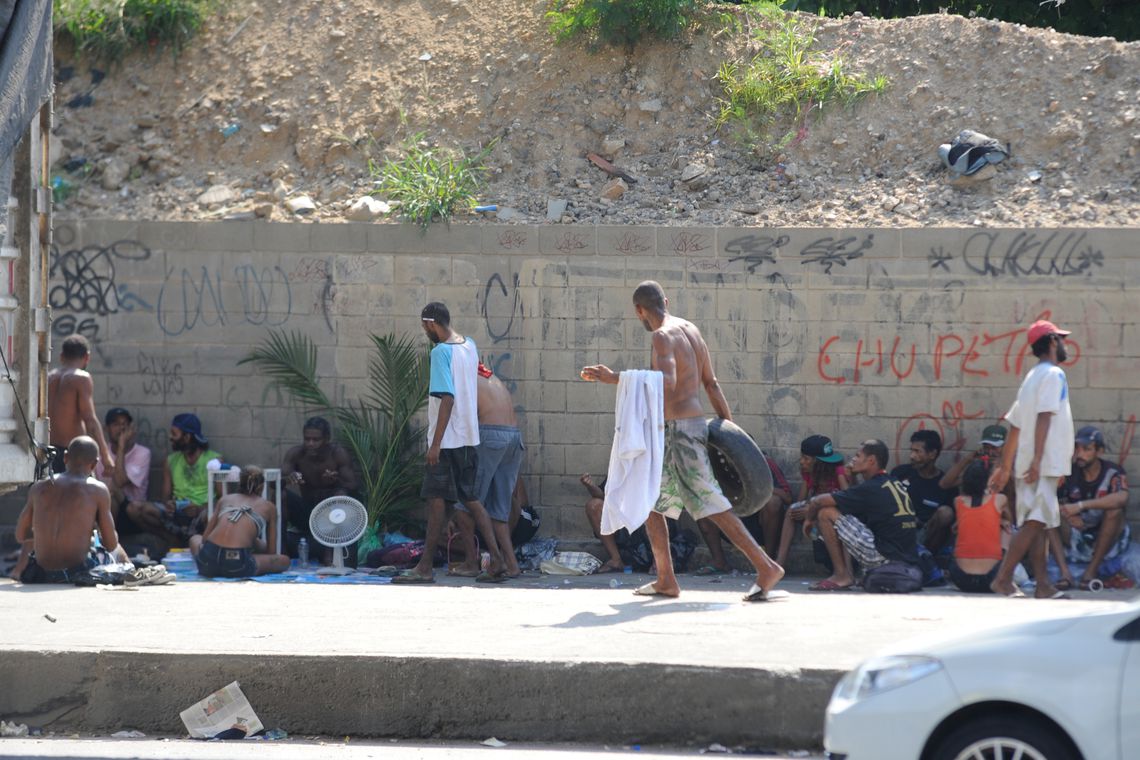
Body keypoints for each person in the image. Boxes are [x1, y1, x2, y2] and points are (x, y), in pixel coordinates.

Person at [580, 281, 784, 601]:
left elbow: (667, 383)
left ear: (640, 311)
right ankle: (666, 579)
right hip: (690, 427)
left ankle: (766, 566)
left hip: (679, 431)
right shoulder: (691, 330)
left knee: (710, 504)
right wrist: (728, 429)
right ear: (666, 300)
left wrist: (615, 377)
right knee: (652, 503)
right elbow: (712, 384)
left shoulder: (661, 336)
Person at [394, 302, 506, 584]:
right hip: (469, 438)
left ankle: (425, 568)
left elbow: (447, 398)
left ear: (431, 323)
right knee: (471, 500)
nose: (425, 332)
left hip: (447, 442)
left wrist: (435, 445)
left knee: (436, 503)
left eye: (424, 327)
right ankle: (497, 559)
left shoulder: (440, 352)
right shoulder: (469, 345)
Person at [987, 319, 1074, 599]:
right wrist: (1039, 460)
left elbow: (1015, 425)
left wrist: (1005, 467)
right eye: (1060, 339)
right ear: (1051, 342)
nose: (1064, 344)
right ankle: (1003, 578)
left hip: (1030, 462)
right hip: (1042, 461)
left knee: (1038, 523)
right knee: (1036, 521)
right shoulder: (1053, 375)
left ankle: (1042, 585)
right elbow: (1045, 416)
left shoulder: (1031, 378)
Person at [802, 439, 921, 592]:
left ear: (871, 460)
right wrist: (852, 478)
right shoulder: (892, 482)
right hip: (904, 558)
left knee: (826, 512)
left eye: (857, 456)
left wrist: (809, 520)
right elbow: (855, 503)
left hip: (884, 556)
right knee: (844, 515)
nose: (853, 460)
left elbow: (818, 501)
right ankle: (848, 574)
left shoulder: (871, 488)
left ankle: (841, 576)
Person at [11, 436, 130, 583]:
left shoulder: (38, 487)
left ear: (65, 457)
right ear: (94, 464)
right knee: (118, 551)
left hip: (41, 573)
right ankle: (134, 576)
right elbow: (110, 544)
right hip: (76, 573)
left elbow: (21, 535)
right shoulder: (98, 490)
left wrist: (45, 531)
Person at [450, 363, 525, 578]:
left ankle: (471, 563)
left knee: (466, 502)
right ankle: (512, 565)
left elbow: (460, 416)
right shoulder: (489, 376)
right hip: (513, 438)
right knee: (498, 510)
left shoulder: (463, 378)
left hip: (489, 435)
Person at [125, 413, 223, 549]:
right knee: (134, 508)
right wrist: (171, 506)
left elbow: (224, 500)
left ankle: (203, 547)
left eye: (174, 434)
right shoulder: (170, 461)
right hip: (178, 514)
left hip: (202, 514)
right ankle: (173, 541)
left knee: (210, 516)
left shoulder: (214, 461)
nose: (170, 437)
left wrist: (200, 508)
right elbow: (165, 499)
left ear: (187, 437)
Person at [1052, 426, 1130, 591]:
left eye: (1086, 449)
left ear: (1099, 452)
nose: (1079, 454)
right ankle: (1066, 575)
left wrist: (1080, 506)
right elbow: (1050, 500)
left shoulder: (1112, 472)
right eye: (1077, 448)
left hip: (1107, 540)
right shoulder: (1069, 472)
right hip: (1077, 538)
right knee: (1047, 516)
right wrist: (1065, 513)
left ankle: (1090, 572)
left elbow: (1121, 498)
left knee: (1115, 511)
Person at [697, 454, 793, 574]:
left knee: (773, 503)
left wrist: (760, 487)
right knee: (703, 505)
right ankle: (719, 561)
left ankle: (768, 561)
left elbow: (787, 497)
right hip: (732, 522)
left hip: (760, 525)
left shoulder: (765, 463)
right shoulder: (719, 463)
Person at [190, 466, 290, 578]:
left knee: (195, 539)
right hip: (237, 565)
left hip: (207, 561)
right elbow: (271, 552)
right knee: (284, 560)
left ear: (239, 483)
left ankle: (216, 565)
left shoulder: (225, 499)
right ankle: (244, 558)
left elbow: (204, 539)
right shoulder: (269, 507)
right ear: (262, 486)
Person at [282, 417, 358, 560]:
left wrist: (336, 480)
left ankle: (330, 554)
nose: (310, 444)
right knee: (281, 495)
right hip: (307, 512)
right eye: (307, 439)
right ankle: (282, 551)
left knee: (340, 494)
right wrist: (288, 478)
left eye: (316, 440)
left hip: (331, 517)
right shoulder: (296, 454)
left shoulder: (337, 454)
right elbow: (275, 482)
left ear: (327, 439)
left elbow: (353, 486)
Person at [776, 435, 850, 568]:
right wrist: (801, 511)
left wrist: (811, 510)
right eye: (802, 457)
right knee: (791, 511)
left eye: (806, 458)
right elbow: (801, 501)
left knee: (824, 513)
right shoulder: (809, 473)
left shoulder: (839, 472)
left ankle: (843, 570)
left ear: (819, 462)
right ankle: (779, 563)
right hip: (816, 513)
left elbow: (848, 500)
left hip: (835, 515)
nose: (802, 462)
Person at [46, 336, 113, 473]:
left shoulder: (48, 378)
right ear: (87, 357)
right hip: (73, 455)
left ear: (61, 356)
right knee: (83, 493)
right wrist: (106, 457)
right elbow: (90, 420)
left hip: (47, 453)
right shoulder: (81, 378)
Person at [891, 430, 958, 555]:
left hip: (927, 538)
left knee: (945, 513)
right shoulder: (900, 473)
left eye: (917, 451)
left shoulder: (944, 484)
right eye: (911, 450)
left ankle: (926, 558)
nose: (912, 456)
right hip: (900, 532)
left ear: (932, 454)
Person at [949, 460, 1009, 593]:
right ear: (989, 480)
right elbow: (1010, 519)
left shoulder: (958, 501)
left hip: (960, 578)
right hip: (992, 577)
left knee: (960, 528)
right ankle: (1006, 573)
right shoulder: (1000, 499)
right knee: (1007, 529)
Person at [96, 407, 151, 530]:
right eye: (116, 424)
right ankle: (106, 543)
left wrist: (121, 446)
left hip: (132, 514)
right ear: (106, 428)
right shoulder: (101, 455)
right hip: (107, 509)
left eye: (124, 424)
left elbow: (120, 481)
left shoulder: (143, 453)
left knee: (114, 491)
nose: (121, 428)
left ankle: (109, 542)